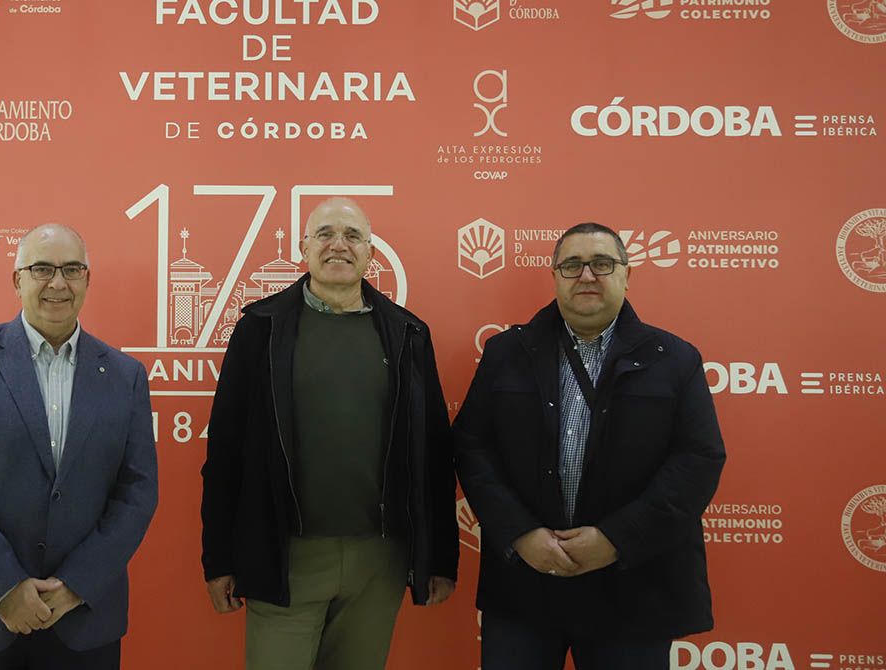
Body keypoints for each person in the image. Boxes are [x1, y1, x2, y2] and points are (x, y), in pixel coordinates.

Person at [453, 222, 726, 670]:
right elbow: (472, 445)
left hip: (634, 586)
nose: (586, 275)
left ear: (626, 273)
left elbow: (699, 459)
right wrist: (520, 532)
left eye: (602, 263)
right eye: (572, 265)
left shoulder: (674, 358)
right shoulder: (507, 352)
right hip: (525, 585)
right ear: (555, 275)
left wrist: (618, 538)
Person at [201, 197, 458, 670]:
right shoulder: (260, 328)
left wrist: (441, 557)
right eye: (324, 234)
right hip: (286, 557)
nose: (338, 244)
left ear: (370, 252)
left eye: (352, 235)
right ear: (304, 248)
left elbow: (434, 455)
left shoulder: (408, 335)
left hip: (378, 562)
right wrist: (218, 559)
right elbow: (225, 453)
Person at [0, 224, 158, 670]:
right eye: (41, 269)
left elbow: (136, 492)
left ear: (87, 280)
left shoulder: (125, 375)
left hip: (80, 621)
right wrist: (4, 587)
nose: (58, 283)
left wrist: (76, 584)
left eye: (72, 270)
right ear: (17, 280)